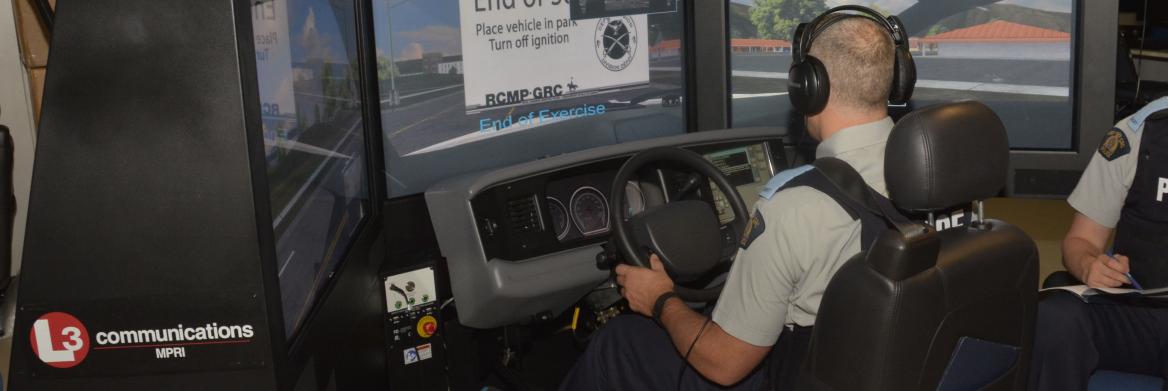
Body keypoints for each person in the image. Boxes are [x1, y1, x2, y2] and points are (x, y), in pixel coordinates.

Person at [560, 12, 900, 391]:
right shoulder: (937, 175)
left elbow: (724, 364)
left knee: (620, 341)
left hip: (798, 376)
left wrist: (660, 299)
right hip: (892, 366)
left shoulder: (793, 208)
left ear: (809, 86)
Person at [1029, 97, 1168, 390]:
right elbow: (1081, 240)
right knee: (1055, 317)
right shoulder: (1138, 133)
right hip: (1139, 310)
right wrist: (1090, 264)